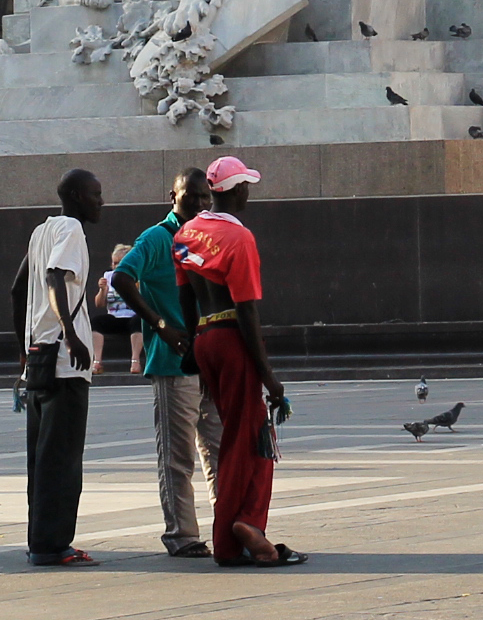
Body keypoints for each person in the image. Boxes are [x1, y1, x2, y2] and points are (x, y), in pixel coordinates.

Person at [175, 155, 296, 567]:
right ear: (237, 190)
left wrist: (196, 353)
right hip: (231, 338)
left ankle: (242, 533)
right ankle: (243, 529)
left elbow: (186, 297)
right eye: (247, 185)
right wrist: (270, 377)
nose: (249, 191)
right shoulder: (239, 239)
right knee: (251, 442)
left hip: (205, 340)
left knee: (236, 437)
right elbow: (247, 312)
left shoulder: (188, 232)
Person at [109, 168, 214, 558]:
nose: (201, 204)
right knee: (178, 456)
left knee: (219, 451)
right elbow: (122, 277)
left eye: (206, 197)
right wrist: (160, 324)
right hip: (173, 360)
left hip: (210, 358)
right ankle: (182, 535)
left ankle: (229, 526)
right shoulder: (157, 238)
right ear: (173, 196)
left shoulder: (208, 234)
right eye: (193, 197)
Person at [15, 169, 104, 569]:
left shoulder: (41, 232)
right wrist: (70, 331)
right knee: (62, 458)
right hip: (63, 362)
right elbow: (54, 276)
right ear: (75, 196)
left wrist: (23, 346)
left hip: (38, 358)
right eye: (95, 194)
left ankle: (41, 540)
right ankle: (52, 546)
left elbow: (18, 289)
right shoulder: (70, 229)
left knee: (42, 456)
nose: (101, 201)